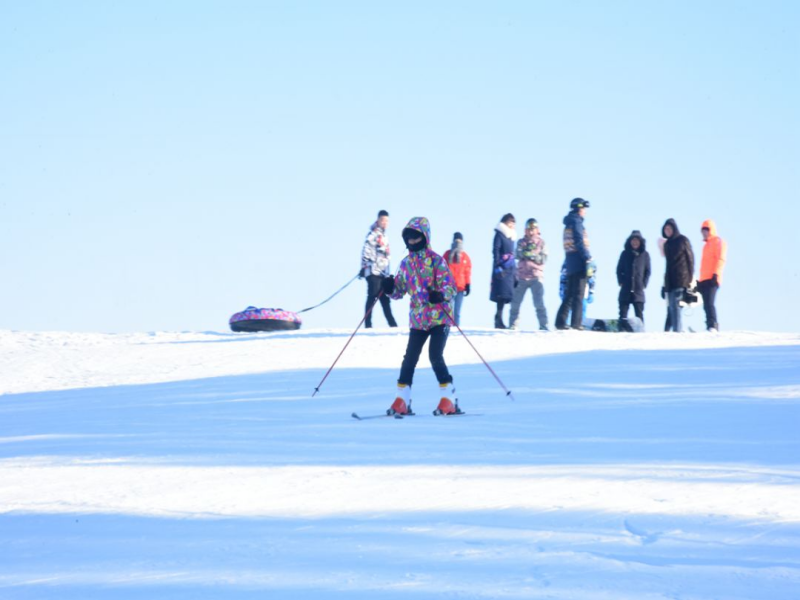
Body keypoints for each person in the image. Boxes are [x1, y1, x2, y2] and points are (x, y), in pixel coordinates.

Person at [381, 217, 459, 416]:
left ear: (425, 237)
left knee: (435, 355)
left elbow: (450, 286)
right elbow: (399, 291)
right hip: (418, 319)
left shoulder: (436, 260)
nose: (412, 242)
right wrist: (389, 288)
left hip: (439, 316)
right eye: (409, 239)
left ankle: (448, 398)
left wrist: (440, 295)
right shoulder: (405, 264)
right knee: (409, 359)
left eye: (416, 238)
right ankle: (402, 400)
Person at [555, 198, 592, 330]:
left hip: (571, 262)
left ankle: (560, 321)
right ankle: (576, 323)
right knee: (578, 294)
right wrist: (587, 257)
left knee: (570, 293)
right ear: (579, 209)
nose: (585, 212)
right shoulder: (576, 222)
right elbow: (579, 241)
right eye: (584, 209)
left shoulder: (569, 222)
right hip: (579, 261)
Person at [360, 210, 397, 328]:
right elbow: (366, 250)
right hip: (373, 272)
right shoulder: (373, 234)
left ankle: (392, 324)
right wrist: (364, 266)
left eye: (387, 221)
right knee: (372, 296)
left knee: (385, 299)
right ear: (378, 220)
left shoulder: (384, 236)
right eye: (383, 220)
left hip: (383, 274)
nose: (385, 223)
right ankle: (367, 324)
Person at [509, 218, 549, 330]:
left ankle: (544, 325)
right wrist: (523, 252)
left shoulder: (541, 242)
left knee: (539, 303)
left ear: (537, 230)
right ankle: (513, 325)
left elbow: (544, 258)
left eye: (533, 229)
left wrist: (533, 255)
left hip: (536, 276)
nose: (531, 232)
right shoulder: (521, 242)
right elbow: (516, 254)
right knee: (515, 303)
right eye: (529, 229)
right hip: (522, 275)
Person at [662, 218, 694, 332]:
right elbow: (667, 265)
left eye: (669, 228)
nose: (668, 231)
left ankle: (677, 331)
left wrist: (690, 280)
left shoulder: (683, 240)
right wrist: (664, 285)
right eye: (666, 229)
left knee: (675, 306)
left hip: (681, 278)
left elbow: (690, 260)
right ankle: (670, 330)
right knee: (671, 308)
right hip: (670, 281)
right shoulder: (667, 245)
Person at [616, 230, 651, 327]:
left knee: (639, 316)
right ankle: (621, 329)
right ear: (630, 241)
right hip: (625, 289)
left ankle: (640, 334)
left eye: (637, 240)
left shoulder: (645, 255)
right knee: (623, 315)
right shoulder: (624, 254)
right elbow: (619, 270)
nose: (635, 242)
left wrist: (644, 283)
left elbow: (648, 271)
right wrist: (620, 281)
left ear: (641, 242)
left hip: (638, 290)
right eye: (633, 240)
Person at [697, 219, 727, 332]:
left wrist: (716, 274)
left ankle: (713, 325)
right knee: (705, 305)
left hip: (713, 279)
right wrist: (699, 281)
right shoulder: (705, 246)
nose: (704, 233)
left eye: (706, 230)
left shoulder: (718, 242)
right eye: (703, 231)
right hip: (704, 279)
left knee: (710, 303)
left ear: (711, 230)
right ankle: (709, 324)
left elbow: (721, 259)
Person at [490, 213, 517, 329]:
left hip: (510, 269)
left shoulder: (511, 236)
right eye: (511, 222)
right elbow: (496, 250)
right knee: (500, 295)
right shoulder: (500, 234)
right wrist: (497, 266)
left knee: (506, 296)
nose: (513, 225)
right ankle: (498, 319)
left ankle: (500, 318)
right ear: (506, 222)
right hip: (501, 268)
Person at [442, 232, 472, 327]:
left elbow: (467, 272)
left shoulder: (465, 257)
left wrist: (468, 284)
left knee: (457, 311)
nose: (458, 243)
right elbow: (442, 269)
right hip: (448, 287)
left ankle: (456, 328)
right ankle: (447, 327)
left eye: (459, 241)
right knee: (448, 309)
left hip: (460, 287)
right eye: (456, 240)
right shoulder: (447, 255)